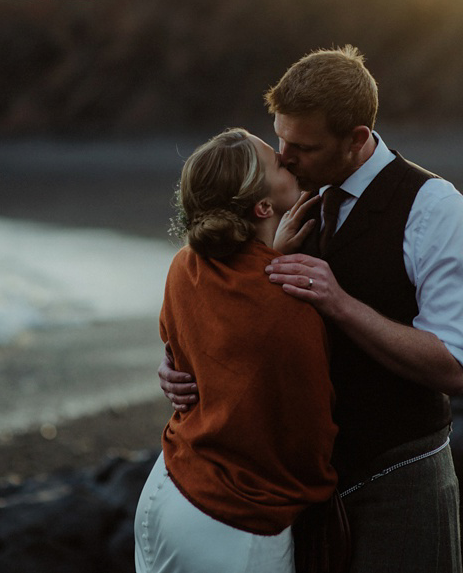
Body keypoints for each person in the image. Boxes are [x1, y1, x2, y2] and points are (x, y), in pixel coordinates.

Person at [159, 46, 463, 573]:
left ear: (357, 139)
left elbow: (455, 365)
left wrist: (340, 304)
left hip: (399, 479)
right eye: (280, 138)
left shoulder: (435, 209)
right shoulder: (294, 203)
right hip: (300, 496)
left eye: (302, 146)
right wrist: (180, 363)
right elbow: (245, 312)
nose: (284, 157)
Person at [135, 128, 339, 573]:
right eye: (278, 163)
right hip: (230, 525)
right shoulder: (289, 310)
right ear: (264, 207)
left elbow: (196, 348)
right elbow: (308, 444)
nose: (289, 158)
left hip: (164, 490)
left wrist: (266, 255)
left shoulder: (184, 266)